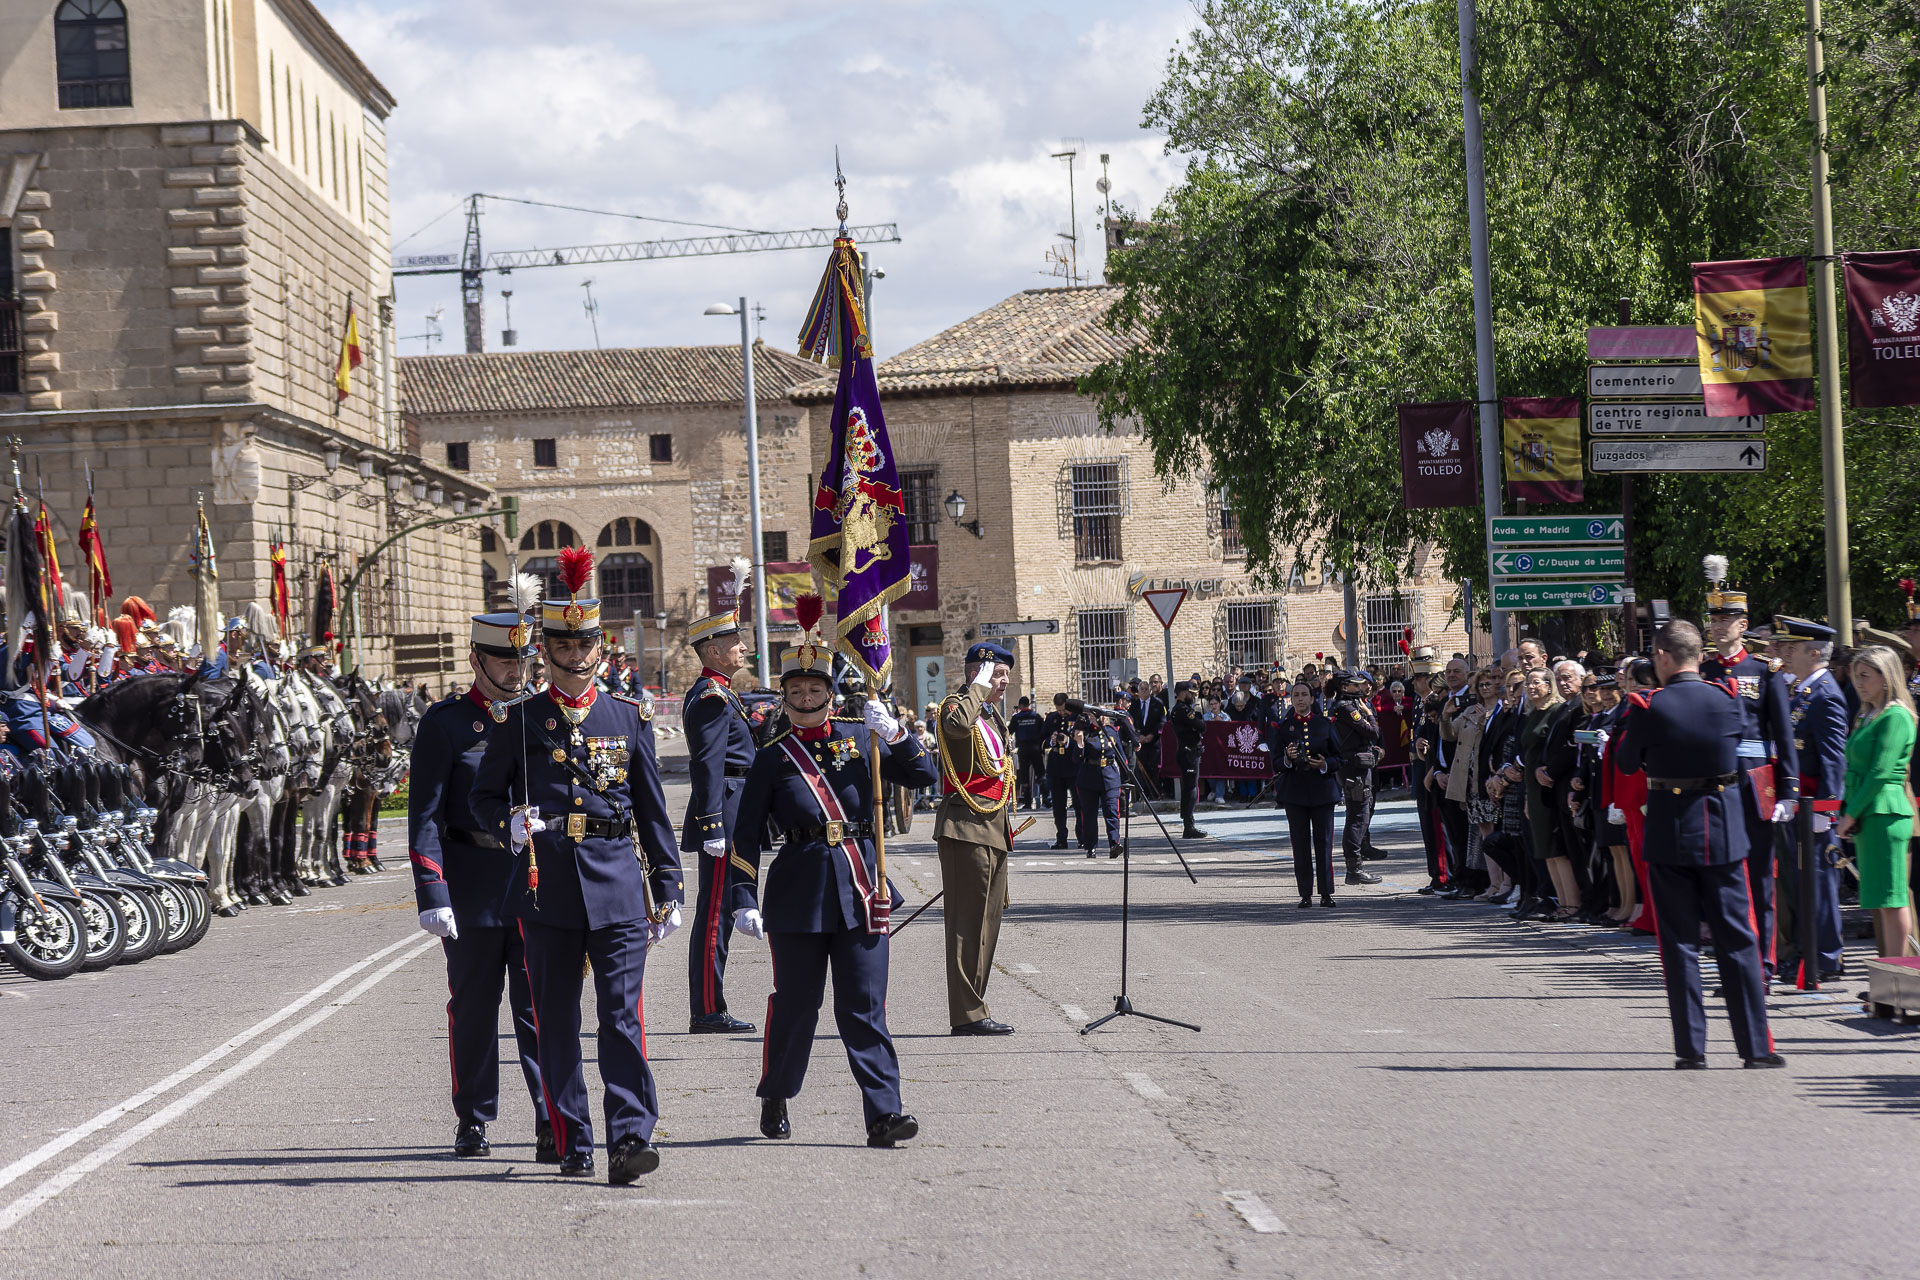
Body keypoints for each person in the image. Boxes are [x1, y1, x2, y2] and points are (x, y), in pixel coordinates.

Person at [470, 548, 685, 1183]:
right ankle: (571, 1137)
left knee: (621, 1018)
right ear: (546, 648)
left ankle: (629, 1137)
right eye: (562, 644)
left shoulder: (628, 717)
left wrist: (669, 883)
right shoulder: (519, 720)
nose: (575, 653)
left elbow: (652, 809)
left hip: (618, 884)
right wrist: (505, 823)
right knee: (556, 1021)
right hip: (548, 887)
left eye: (585, 642)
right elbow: (483, 796)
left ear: (599, 643)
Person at [725, 611, 936, 1147]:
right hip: (798, 895)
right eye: (794, 687)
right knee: (797, 1007)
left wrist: (900, 736)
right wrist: (743, 895)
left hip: (863, 886)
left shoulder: (860, 737)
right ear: (785, 694)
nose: (803, 695)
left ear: (829, 690)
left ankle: (884, 1113)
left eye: (812, 686)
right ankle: (776, 1091)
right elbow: (745, 834)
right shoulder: (772, 757)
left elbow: (924, 776)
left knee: (863, 1006)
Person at [409, 610, 551, 1162]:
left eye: (523, 660)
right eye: (503, 660)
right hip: (470, 884)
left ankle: (551, 1115)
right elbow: (425, 816)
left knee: (541, 1008)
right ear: (476, 661)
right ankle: (474, 1117)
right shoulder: (445, 723)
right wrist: (432, 891)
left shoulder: (544, 718)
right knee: (473, 1008)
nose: (516, 671)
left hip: (536, 882)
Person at [1615, 621, 1783, 1069]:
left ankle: (1692, 1049)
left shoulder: (1647, 706)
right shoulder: (1728, 698)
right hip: (1724, 829)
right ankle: (1757, 1048)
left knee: (1680, 944)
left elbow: (1627, 762)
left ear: (1663, 656)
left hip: (1671, 831)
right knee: (1739, 941)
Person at [1700, 566, 1800, 981]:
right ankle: (1732, 962)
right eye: (1714, 619)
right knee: (1723, 879)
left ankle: (1763, 962)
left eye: (1726, 619)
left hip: (1755, 784)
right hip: (1714, 785)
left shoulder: (1764, 671)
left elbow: (1783, 733)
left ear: (1743, 624)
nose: (1718, 625)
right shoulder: (1705, 673)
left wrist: (1789, 791)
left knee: (1760, 878)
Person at [678, 596, 760, 1036]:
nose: (743, 647)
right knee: (715, 912)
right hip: (724, 812)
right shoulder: (711, 697)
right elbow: (707, 764)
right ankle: (708, 1009)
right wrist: (712, 824)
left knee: (724, 909)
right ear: (712, 650)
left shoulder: (723, 692)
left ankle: (712, 1004)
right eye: (734, 640)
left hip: (735, 805)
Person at [934, 642, 1019, 1035]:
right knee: (967, 925)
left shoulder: (991, 718)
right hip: (965, 825)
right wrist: (978, 688)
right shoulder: (957, 707)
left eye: (1004, 675)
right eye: (998, 674)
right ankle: (966, 1014)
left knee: (988, 924)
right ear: (977, 673)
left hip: (992, 826)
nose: (1005, 682)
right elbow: (955, 729)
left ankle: (976, 1008)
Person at [1772, 617, 1849, 982]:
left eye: (1792, 648)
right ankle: (1806, 955)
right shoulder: (1803, 691)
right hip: (1798, 805)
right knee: (1800, 883)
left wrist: (1827, 807)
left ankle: (1826, 959)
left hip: (1814, 807)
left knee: (1818, 883)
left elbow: (1834, 757)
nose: (1785, 654)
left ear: (1815, 652)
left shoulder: (1826, 694)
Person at [1837, 645, 1917, 961]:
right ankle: (1890, 978)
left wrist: (1850, 813)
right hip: (1870, 814)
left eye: (1866, 676)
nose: (1858, 682)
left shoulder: (1896, 715)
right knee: (1881, 900)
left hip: (1885, 811)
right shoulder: (1869, 714)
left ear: (1887, 677)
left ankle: (1898, 975)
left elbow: (1881, 772)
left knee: (1893, 898)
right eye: (1856, 676)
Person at [1272, 680, 1344, 906]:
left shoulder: (1325, 724)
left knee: (1324, 843)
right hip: (1295, 793)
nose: (1300, 699)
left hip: (1323, 792)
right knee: (1300, 845)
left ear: (1312, 699)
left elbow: (1339, 758)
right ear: (1291, 699)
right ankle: (1305, 893)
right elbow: (1275, 762)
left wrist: (1324, 764)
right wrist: (1287, 758)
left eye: (1305, 695)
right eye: (1296, 695)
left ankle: (1326, 892)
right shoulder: (1283, 728)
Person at [1327, 672, 1383, 886]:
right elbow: (1372, 732)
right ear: (1344, 687)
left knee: (1360, 813)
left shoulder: (1346, 705)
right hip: (1354, 768)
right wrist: (1369, 714)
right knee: (1358, 816)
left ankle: (1355, 866)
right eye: (1355, 685)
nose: (1360, 688)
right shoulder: (1346, 708)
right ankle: (1354, 868)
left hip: (1357, 766)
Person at [1074, 701, 1133, 858]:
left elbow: (1121, 755)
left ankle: (1114, 843)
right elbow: (1076, 759)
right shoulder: (1084, 732)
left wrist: (1127, 776)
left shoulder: (1111, 731)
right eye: (1094, 715)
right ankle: (1091, 846)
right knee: (1089, 814)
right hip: (1089, 777)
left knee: (1112, 811)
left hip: (1110, 776)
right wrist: (1079, 744)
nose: (1098, 718)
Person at [1169, 680, 1208, 838]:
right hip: (1188, 752)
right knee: (1190, 789)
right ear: (1183, 693)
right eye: (1190, 694)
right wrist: (1197, 722)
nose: (1193, 697)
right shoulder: (1182, 710)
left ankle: (1188, 823)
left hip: (1190, 751)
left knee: (1190, 788)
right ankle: (1189, 825)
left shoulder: (1182, 709)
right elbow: (1201, 726)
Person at [1043, 692, 1080, 849]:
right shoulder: (1052, 719)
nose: (1061, 713)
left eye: (1064, 710)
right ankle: (1061, 839)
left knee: (1079, 805)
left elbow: (1082, 741)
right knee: (1059, 807)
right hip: (1056, 767)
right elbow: (1041, 740)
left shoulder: (1077, 717)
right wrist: (1051, 741)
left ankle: (1082, 837)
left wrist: (1068, 741)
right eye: (1059, 710)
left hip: (1073, 767)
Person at [1008, 696, 1048, 811]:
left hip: (1023, 749)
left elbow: (1009, 731)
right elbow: (1043, 732)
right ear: (1029, 704)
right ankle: (1046, 799)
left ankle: (1027, 802)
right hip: (1035, 748)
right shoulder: (1036, 717)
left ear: (1020, 705)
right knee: (1040, 774)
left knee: (1025, 776)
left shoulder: (1017, 718)